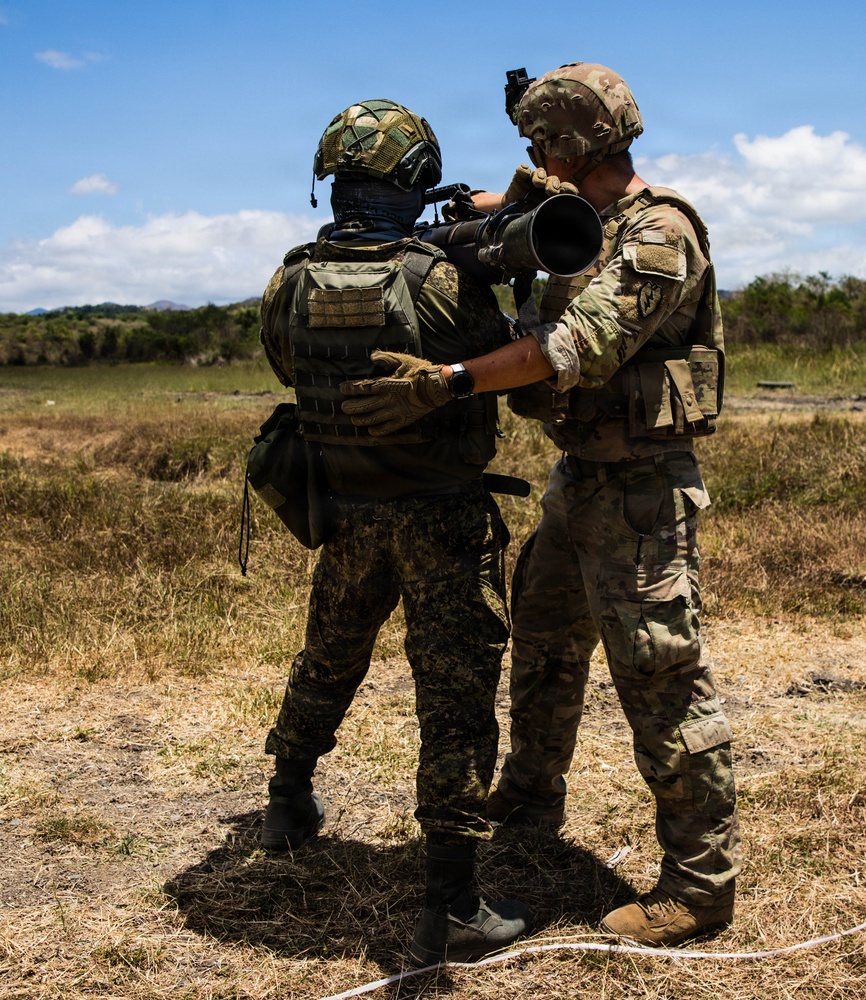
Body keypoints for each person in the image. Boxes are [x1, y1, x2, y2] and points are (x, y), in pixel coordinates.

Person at [340, 64, 742, 948]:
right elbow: (543, 245)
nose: (531, 156)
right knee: (546, 636)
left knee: (661, 677)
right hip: (582, 481)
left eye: (539, 142)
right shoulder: (589, 221)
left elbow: (573, 345)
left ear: (574, 142)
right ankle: (528, 791)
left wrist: (450, 381)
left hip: (640, 491)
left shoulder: (659, 234)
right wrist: (493, 216)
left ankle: (701, 885)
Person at [257, 98, 531, 964]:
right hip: (443, 518)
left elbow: (285, 365)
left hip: (346, 511)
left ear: (332, 181)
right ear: (415, 181)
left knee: (328, 656)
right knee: (453, 700)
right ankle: (452, 897)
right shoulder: (444, 280)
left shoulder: (290, 279)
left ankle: (287, 801)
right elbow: (506, 373)